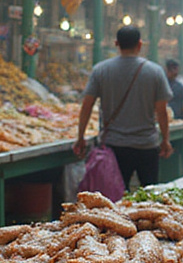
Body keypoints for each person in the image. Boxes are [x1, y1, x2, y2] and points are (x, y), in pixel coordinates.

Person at [74, 26, 173, 189]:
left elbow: (87, 106)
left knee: (114, 196)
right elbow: (162, 112)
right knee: (149, 194)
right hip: (146, 146)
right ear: (140, 44)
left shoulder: (101, 70)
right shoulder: (155, 72)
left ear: (116, 43)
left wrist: (80, 137)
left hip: (114, 146)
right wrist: (165, 140)